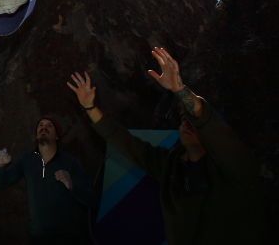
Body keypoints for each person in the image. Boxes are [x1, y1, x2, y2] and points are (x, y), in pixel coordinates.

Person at [67, 47, 266, 245]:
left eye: (191, 121)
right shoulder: (170, 167)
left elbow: (206, 120)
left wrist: (179, 90)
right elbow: (125, 143)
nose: (185, 124)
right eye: (182, 119)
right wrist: (90, 107)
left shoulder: (231, 165)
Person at [0, 116, 94, 244]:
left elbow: (91, 198)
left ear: (57, 136)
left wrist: (72, 185)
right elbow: (1, 182)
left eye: (49, 126)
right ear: (36, 135)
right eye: (40, 125)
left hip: (69, 237)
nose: (44, 128)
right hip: (39, 238)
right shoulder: (27, 160)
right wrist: (2, 166)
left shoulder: (70, 162)